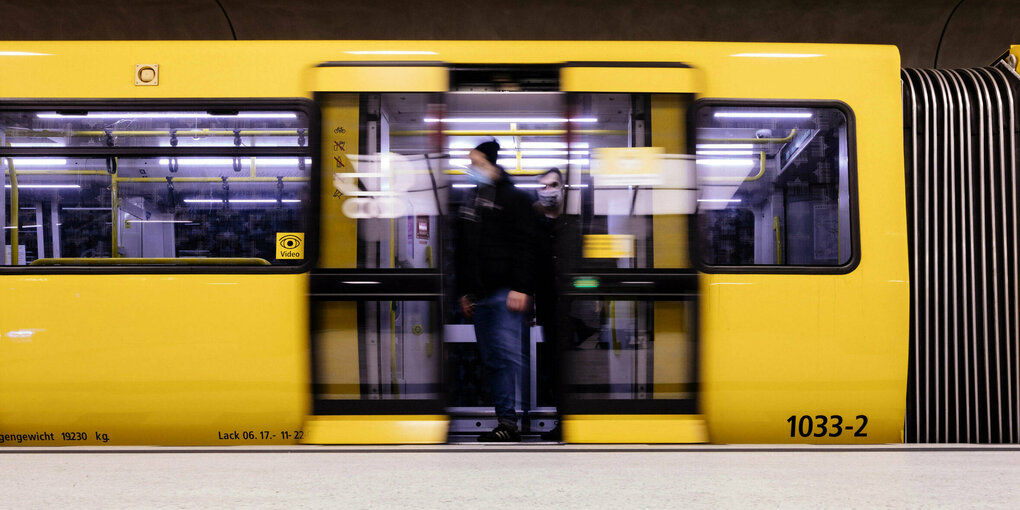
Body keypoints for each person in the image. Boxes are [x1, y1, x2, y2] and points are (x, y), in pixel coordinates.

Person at [455, 140, 536, 442]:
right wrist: (464, 291)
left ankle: (519, 418)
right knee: (492, 359)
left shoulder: (514, 199)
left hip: (505, 292)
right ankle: (507, 420)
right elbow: (463, 250)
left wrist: (522, 286)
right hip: (479, 295)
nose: (472, 169)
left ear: (491, 163)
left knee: (508, 356)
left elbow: (527, 247)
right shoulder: (470, 201)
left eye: (476, 163)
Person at [531, 168, 577, 441]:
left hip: (573, 305)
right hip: (547, 305)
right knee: (553, 365)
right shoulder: (534, 226)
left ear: (563, 188)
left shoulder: (575, 224)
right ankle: (562, 419)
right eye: (543, 187)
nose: (548, 191)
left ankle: (574, 418)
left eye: (553, 185)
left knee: (573, 364)